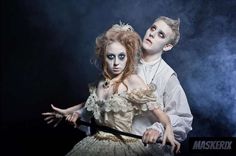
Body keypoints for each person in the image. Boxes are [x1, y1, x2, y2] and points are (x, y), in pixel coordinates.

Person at [43, 16, 193, 154]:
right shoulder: (121, 57)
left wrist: (158, 129)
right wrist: (75, 112)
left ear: (167, 46)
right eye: (153, 28)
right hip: (109, 141)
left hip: (143, 147)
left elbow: (182, 118)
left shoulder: (167, 76)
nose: (153, 34)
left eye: (161, 34)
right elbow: (103, 100)